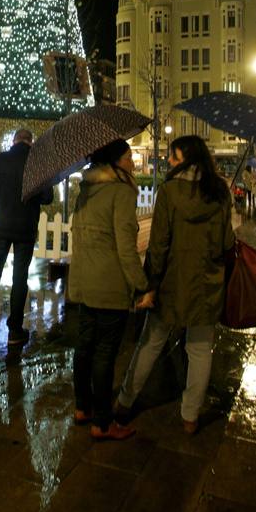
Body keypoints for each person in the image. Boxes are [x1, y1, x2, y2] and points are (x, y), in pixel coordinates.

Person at [115, 135, 235, 435]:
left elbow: (159, 244)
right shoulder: (219, 191)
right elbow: (226, 242)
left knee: (151, 342)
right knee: (200, 349)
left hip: (171, 282)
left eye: (173, 156)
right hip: (208, 283)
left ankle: (125, 402)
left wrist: (149, 284)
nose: (168, 161)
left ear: (186, 159)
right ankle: (190, 417)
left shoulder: (169, 191)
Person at [69, 138, 150, 441]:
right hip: (109, 284)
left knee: (84, 346)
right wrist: (141, 285)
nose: (132, 162)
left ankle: (82, 407)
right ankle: (103, 423)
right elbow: (126, 247)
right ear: (116, 161)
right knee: (104, 353)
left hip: (84, 280)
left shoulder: (86, 190)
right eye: (128, 157)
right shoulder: (120, 192)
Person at [0, 129, 53, 346]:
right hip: (25, 228)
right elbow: (47, 197)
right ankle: (15, 329)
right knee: (20, 278)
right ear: (30, 142)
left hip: (2, 226)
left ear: (14, 140)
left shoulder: (0, 159)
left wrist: (3, 201)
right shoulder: (38, 163)